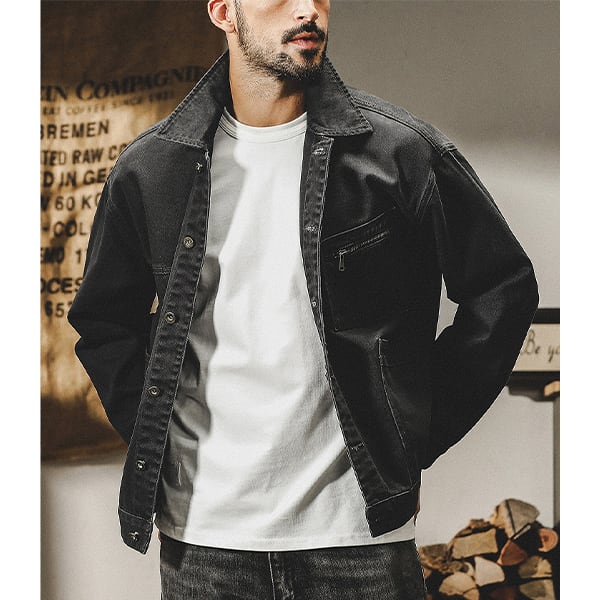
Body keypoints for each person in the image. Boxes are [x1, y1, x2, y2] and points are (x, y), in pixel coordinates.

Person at [68, 0, 539, 598]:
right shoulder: (153, 168)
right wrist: (156, 438)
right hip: (205, 539)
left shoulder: (399, 153)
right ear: (223, 11)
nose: (308, 10)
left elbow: (502, 289)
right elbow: (104, 323)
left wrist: (413, 433)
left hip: (357, 538)